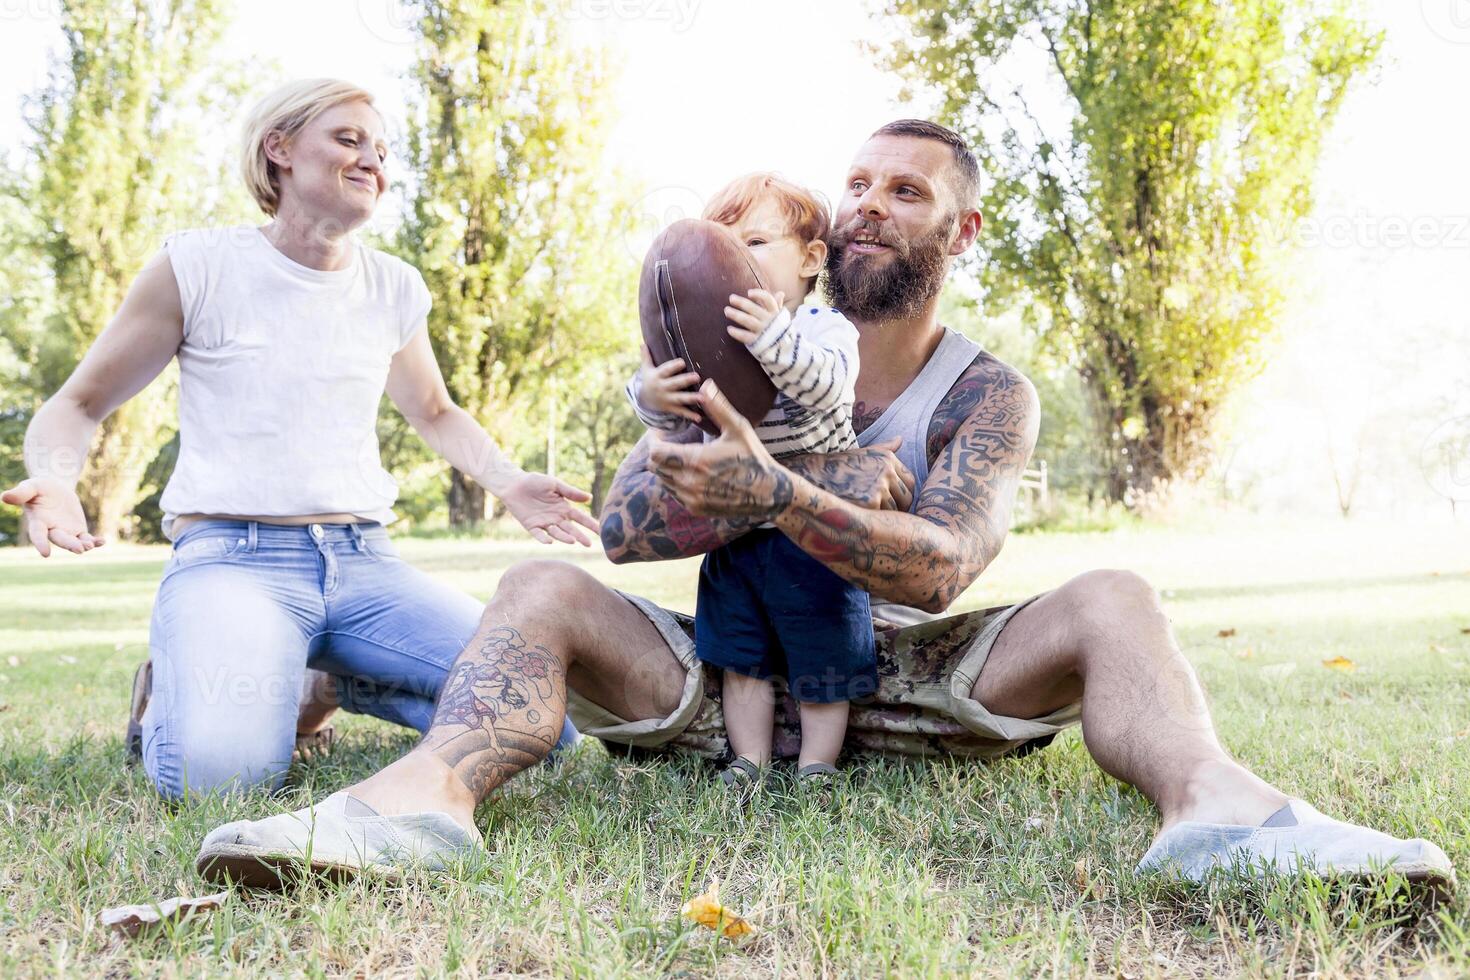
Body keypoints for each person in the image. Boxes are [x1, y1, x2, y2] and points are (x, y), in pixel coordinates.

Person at [193, 120, 1455, 896]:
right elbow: (627, 528)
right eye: (854, 181)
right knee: (538, 587)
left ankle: (1222, 816)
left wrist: (776, 493)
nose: (866, 203)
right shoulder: (748, 338)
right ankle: (415, 807)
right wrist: (707, 453)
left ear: (958, 228)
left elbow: (941, 565)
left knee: (1118, 593)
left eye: (904, 190)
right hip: (728, 672)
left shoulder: (987, 392)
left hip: (917, 679)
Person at [0, 79, 596, 801]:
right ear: (278, 149)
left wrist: (508, 482)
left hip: (365, 565)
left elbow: (435, 411)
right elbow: (79, 402)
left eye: (380, 149)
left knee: (542, 725)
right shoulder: (199, 267)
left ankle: (327, 680)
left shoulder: (394, 287)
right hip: (233, 560)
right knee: (225, 779)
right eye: (348, 139)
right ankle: (170, 701)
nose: (372, 160)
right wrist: (57, 479)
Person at [628, 173, 874, 792]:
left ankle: (818, 765)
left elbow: (826, 386)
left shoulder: (821, 326)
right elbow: (681, 416)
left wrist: (773, 339)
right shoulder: (710, 340)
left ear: (812, 258)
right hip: (734, 535)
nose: (735, 264)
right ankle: (750, 761)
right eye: (724, 250)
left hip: (812, 532)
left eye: (755, 244)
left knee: (824, 654)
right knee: (741, 658)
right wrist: (650, 393)